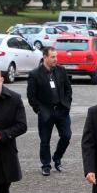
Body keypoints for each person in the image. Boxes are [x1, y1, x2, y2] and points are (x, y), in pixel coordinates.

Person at [27, 47, 73, 176]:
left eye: (56, 56)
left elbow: (68, 90)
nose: (55, 59)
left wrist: (67, 104)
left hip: (61, 110)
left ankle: (57, 158)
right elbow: (31, 96)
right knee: (45, 140)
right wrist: (39, 110)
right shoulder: (35, 74)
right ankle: (46, 165)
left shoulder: (61, 71)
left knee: (67, 136)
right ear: (45, 57)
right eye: (52, 57)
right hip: (45, 112)